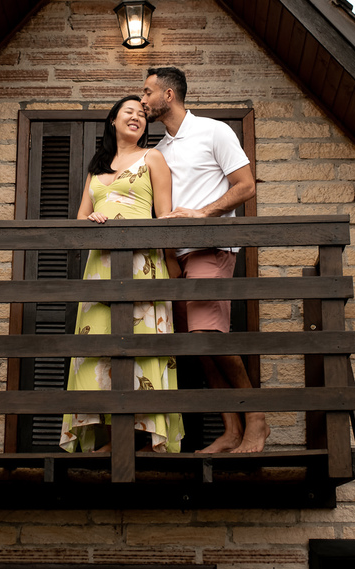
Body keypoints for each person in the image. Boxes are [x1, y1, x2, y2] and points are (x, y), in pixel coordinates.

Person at [140, 66, 265, 454]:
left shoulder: (214, 131)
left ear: (169, 95)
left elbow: (245, 185)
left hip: (211, 247)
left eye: (147, 93)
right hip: (174, 258)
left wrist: (203, 213)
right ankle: (230, 431)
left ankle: (257, 423)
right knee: (198, 346)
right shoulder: (158, 152)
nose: (142, 101)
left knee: (208, 336)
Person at [60, 95, 185, 454]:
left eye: (142, 114)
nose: (137, 117)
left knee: (140, 347)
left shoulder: (153, 158)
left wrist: (172, 263)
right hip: (99, 268)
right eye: (129, 112)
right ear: (113, 120)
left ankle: (140, 441)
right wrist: (93, 219)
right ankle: (116, 441)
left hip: (141, 263)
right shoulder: (97, 167)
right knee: (100, 349)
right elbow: (81, 218)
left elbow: (163, 217)